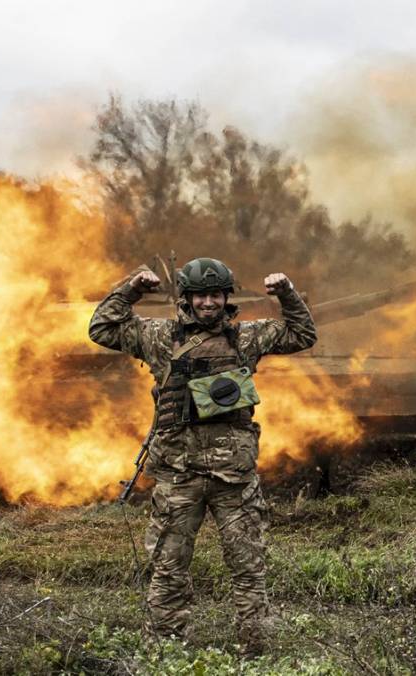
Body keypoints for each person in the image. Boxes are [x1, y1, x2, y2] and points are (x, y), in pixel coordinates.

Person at [88, 257, 316, 649]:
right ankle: (165, 652)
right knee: (168, 570)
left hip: (234, 479)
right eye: (200, 296)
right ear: (187, 299)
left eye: (215, 295)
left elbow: (303, 334)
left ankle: (256, 651)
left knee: (249, 569)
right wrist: (133, 288)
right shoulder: (159, 337)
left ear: (226, 298)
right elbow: (102, 327)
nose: (208, 303)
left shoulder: (247, 338)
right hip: (179, 476)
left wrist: (286, 293)